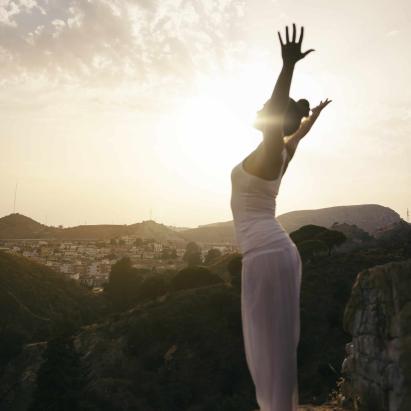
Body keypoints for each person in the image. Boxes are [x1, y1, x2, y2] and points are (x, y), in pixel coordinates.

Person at [230, 24, 331, 411]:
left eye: (267, 111)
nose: (261, 110)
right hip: (273, 252)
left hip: (266, 254)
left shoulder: (272, 151)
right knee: (275, 348)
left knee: (269, 350)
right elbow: (298, 131)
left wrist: (287, 66)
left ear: (275, 122)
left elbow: (277, 112)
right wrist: (313, 116)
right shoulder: (282, 150)